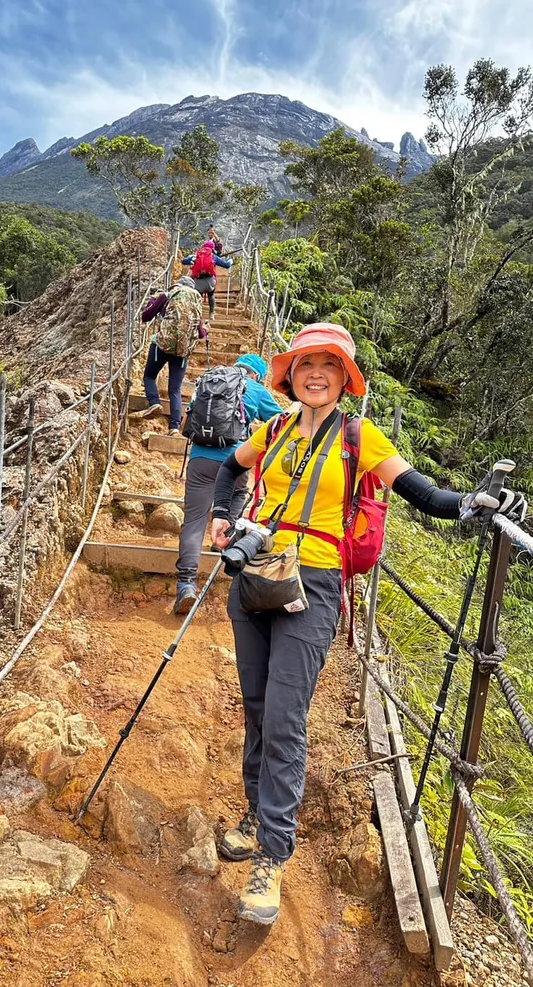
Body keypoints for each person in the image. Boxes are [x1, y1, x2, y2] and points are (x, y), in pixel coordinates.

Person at [209, 322, 527, 927]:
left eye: (330, 365)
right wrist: (225, 518)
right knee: (255, 704)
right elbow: (230, 470)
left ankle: (273, 854)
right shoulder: (271, 429)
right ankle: (255, 813)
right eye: (307, 364)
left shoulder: (360, 436)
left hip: (317, 585)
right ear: (291, 374)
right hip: (257, 574)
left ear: (345, 379)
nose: (317, 374)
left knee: (283, 717)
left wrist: (473, 504)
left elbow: (422, 493)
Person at [174, 354, 284, 615]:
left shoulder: (207, 383)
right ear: (257, 374)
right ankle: (222, 539)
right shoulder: (255, 389)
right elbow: (284, 423)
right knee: (239, 493)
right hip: (235, 460)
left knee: (194, 521)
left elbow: (184, 427)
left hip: (201, 459)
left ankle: (186, 585)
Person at [137, 275, 204, 435]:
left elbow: (146, 316)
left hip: (161, 345)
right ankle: (174, 427)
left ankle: (154, 402)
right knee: (175, 389)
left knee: (149, 377)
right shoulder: (194, 304)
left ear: (177, 286)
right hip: (182, 351)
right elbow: (201, 333)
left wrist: (154, 302)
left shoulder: (167, 296)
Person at [182, 240, 233, 319]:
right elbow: (226, 265)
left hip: (198, 281)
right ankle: (211, 314)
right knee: (211, 294)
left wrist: (190, 259)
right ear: (212, 248)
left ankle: (197, 315)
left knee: (198, 297)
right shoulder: (213, 256)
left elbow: (184, 261)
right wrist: (230, 261)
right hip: (210, 281)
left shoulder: (196, 255)